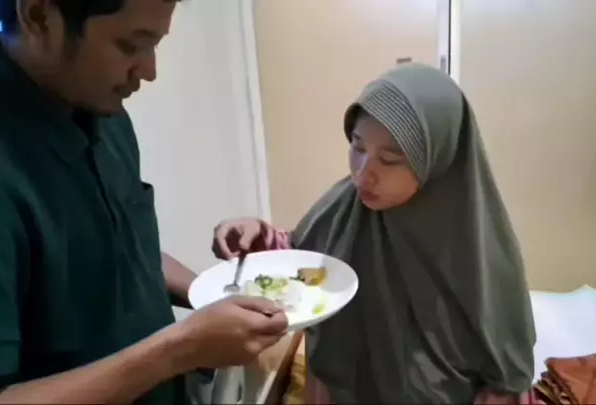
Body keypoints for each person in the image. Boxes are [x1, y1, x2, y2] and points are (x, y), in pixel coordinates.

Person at [0, 0, 287, 404]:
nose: (149, 71)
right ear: (39, 15)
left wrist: (216, 294)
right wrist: (181, 349)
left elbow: (120, 252)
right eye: (130, 45)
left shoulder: (102, 109)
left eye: (156, 43)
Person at [213, 63, 537, 403]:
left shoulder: (480, 254)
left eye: (391, 159)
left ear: (437, 161)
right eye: (358, 147)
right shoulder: (347, 206)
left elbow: (506, 372)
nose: (363, 174)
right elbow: (305, 259)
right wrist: (259, 238)